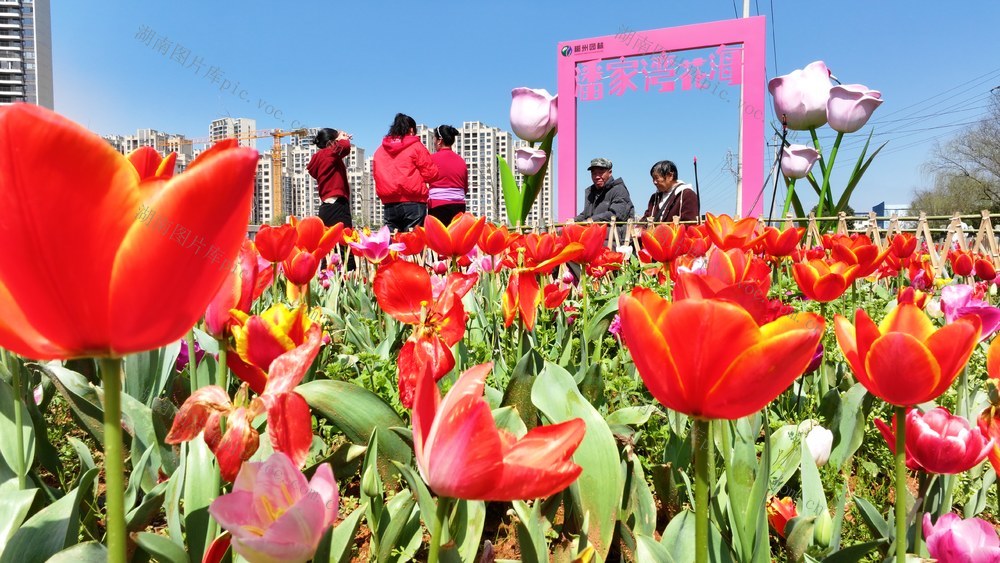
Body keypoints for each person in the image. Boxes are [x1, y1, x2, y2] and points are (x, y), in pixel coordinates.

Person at [373, 113, 438, 232]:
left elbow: (377, 175)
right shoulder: (416, 146)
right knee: (413, 243)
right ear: (412, 130)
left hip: (389, 203)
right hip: (414, 202)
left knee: (393, 245)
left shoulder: (380, 150)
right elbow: (431, 174)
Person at [574, 157, 635, 242]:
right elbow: (586, 214)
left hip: (615, 241)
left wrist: (592, 220)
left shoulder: (619, 190)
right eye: (594, 173)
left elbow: (616, 214)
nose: (597, 177)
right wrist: (574, 220)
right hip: (595, 238)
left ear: (610, 173)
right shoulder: (592, 192)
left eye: (601, 172)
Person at [307, 128, 353, 227]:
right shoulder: (328, 153)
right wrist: (343, 138)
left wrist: (340, 138)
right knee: (343, 239)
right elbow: (345, 147)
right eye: (336, 141)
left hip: (326, 206)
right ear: (329, 143)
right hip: (337, 206)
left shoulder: (320, 157)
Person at [427, 125, 469, 225]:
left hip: (437, 206)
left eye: (434, 138)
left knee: (439, 239)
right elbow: (465, 188)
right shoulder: (461, 161)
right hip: (459, 207)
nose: (434, 141)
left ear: (439, 141)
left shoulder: (431, 159)